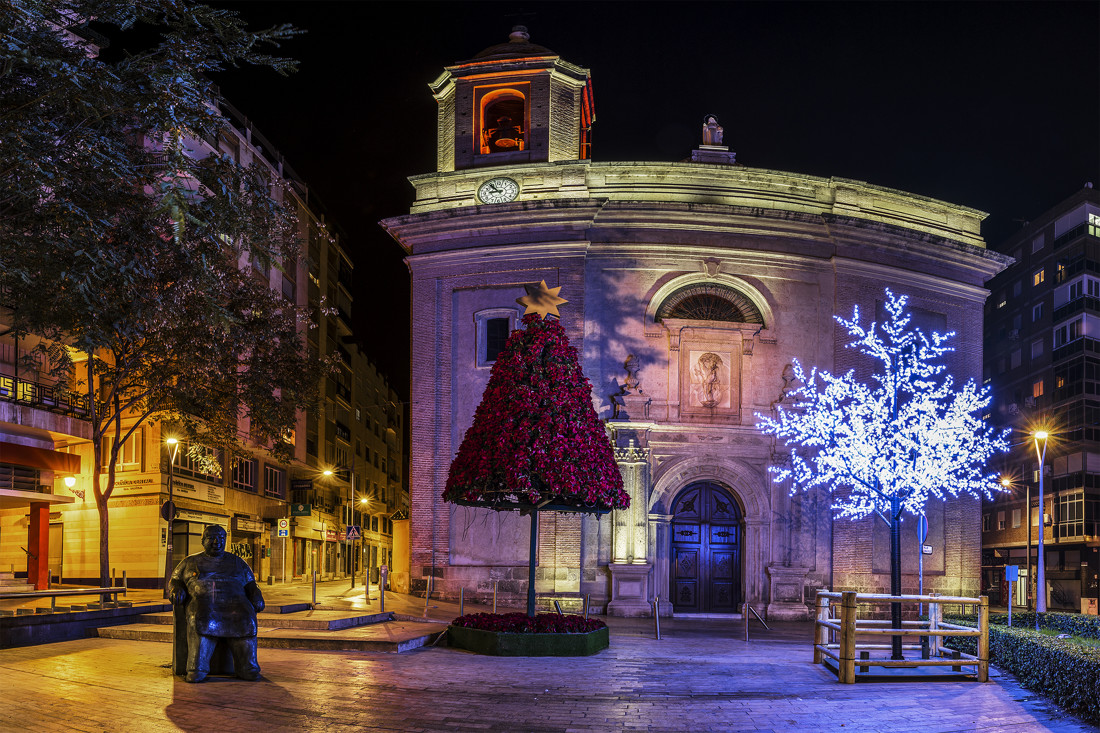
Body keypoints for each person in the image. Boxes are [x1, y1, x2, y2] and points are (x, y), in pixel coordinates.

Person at [169, 524, 265, 683]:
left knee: (246, 619)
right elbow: (175, 580)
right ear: (202, 541)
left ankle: (248, 667)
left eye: (221, 538)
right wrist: (176, 589)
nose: (216, 542)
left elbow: (251, 583)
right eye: (211, 538)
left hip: (236, 604)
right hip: (203, 603)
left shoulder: (237, 562)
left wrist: (256, 594)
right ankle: (197, 668)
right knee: (200, 618)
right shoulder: (190, 561)